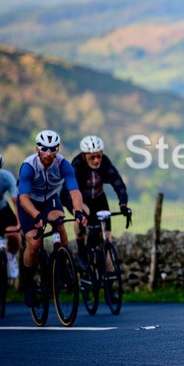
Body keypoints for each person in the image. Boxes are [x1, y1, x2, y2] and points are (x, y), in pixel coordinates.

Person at [17, 130, 87, 306]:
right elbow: (23, 198)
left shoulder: (63, 164)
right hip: (29, 203)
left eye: (53, 149)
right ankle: (28, 283)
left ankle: (63, 262)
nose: (48, 153)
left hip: (49, 199)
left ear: (58, 149)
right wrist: (36, 215)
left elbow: (74, 191)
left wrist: (78, 211)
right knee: (34, 244)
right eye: (44, 149)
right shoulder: (29, 166)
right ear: (37, 149)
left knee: (60, 221)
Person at [61, 135, 130, 272]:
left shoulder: (105, 162)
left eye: (99, 156)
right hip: (81, 199)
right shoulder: (76, 166)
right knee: (81, 219)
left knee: (107, 237)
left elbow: (118, 183)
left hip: (99, 199)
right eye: (92, 157)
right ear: (83, 156)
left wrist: (123, 204)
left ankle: (109, 275)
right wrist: (76, 209)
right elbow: (65, 193)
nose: (96, 160)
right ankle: (81, 251)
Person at [0, 151, 21, 279]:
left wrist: (20, 223)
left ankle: (11, 257)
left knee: (15, 236)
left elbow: (16, 202)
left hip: (2, 210)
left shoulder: (7, 177)